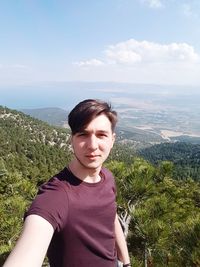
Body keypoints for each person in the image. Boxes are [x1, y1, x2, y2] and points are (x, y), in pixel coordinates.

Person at [3, 99, 130, 267]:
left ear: (112, 140)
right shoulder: (57, 196)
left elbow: (110, 215)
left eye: (101, 135)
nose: (93, 145)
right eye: (83, 134)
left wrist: (126, 262)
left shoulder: (107, 177)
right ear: (72, 140)